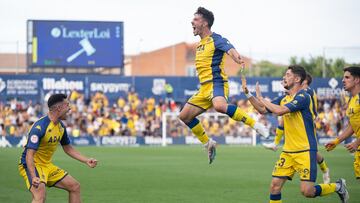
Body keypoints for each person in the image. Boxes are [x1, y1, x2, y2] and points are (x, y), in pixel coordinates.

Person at [241, 65, 348, 203]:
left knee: (307, 191)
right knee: (275, 186)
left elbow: (280, 111)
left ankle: (338, 186)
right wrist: (248, 94)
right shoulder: (283, 98)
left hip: (305, 150)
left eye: (287, 75)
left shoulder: (304, 96)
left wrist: (262, 98)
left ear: (297, 79)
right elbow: (262, 109)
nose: (284, 78)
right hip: (288, 151)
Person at [179, 7, 269, 164]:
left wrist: (237, 58)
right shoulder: (199, 45)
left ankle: (255, 124)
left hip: (217, 83)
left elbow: (229, 48)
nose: (192, 22)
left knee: (220, 106)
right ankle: (208, 143)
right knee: (184, 116)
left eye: (196, 19)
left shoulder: (216, 39)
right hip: (204, 88)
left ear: (205, 23)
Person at [18, 94, 98, 203]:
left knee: (75, 187)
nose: (69, 108)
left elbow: (68, 148)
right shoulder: (40, 127)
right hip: (32, 164)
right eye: (67, 105)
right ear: (59, 108)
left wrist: (86, 160)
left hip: (47, 165)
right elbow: (29, 155)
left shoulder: (61, 127)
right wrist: (33, 176)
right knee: (40, 195)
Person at [261, 73, 330, 183]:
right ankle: (275, 143)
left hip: (306, 122)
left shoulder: (307, 93)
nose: (303, 85)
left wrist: (314, 117)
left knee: (314, 153)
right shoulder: (292, 93)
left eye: (304, 83)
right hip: (295, 117)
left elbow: (312, 108)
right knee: (283, 118)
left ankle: (325, 169)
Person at [326, 66, 360, 181]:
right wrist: (337, 141)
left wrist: (357, 142)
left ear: (357, 80)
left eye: (347, 77)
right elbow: (352, 126)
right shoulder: (352, 100)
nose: (343, 80)